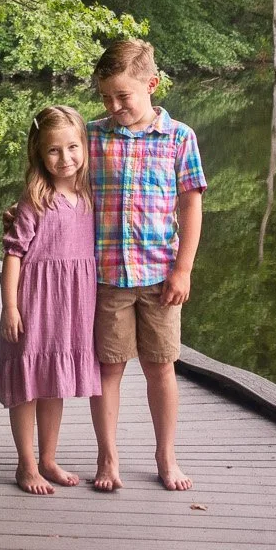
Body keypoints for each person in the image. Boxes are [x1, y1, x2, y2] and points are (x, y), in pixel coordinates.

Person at [86, 39, 206, 492]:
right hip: (108, 277)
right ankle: (108, 457)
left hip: (160, 278)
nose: (114, 105)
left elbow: (191, 206)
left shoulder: (180, 137)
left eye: (123, 96)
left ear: (151, 84)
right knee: (109, 368)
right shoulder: (94, 137)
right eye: (106, 97)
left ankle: (166, 455)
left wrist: (183, 269)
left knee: (161, 366)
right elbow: (58, 182)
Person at [0, 104, 102, 495]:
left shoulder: (89, 194)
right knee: (28, 382)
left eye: (73, 147)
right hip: (35, 303)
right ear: (38, 152)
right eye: (54, 150)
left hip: (74, 303)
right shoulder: (35, 198)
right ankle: (27, 464)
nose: (65, 158)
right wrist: (10, 307)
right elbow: (14, 255)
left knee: (54, 381)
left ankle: (49, 458)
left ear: (85, 147)